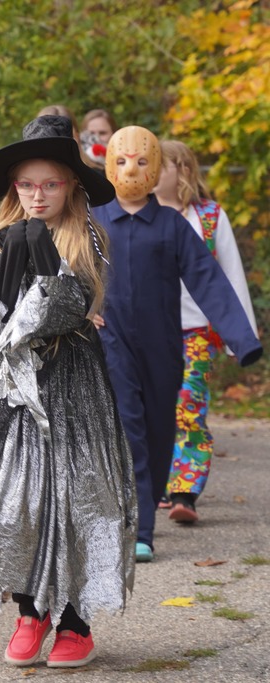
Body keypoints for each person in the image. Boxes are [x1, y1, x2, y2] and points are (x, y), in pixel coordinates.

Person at [0, 115, 136, 670]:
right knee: (18, 499)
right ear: (13, 188)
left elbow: (69, 310)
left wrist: (47, 263)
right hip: (16, 396)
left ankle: (75, 623)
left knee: (78, 498)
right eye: (26, 184)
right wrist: (11, 273)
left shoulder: (89, 237)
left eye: (49, 184)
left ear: (71, 186)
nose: (37, 195)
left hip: (75, 390)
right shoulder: (0, 239)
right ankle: (30, 612)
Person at [93, 125, 262, 563]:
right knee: (129, 427)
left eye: (143, 161)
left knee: (159, 432)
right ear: (110, 165)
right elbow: (69, 272)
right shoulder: (95, 220)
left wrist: (242, 340)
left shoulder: (170, 225)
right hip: (111, 341)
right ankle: (138, 528)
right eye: (124, 160)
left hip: (162, 344)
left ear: (155, 168)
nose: (132, 168)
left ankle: (145, 507)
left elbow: (209, 281)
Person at [152, 139, 258, 523]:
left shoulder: (210, 217)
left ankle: (185, 491)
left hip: (196, 331)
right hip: (147, 330)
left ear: (181, 169)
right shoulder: (137, 215)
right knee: (150, 409)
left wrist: (240, 337)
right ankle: (158, 482)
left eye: (156, 164)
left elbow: (230, 276)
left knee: (188, 407)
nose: (145, 172)